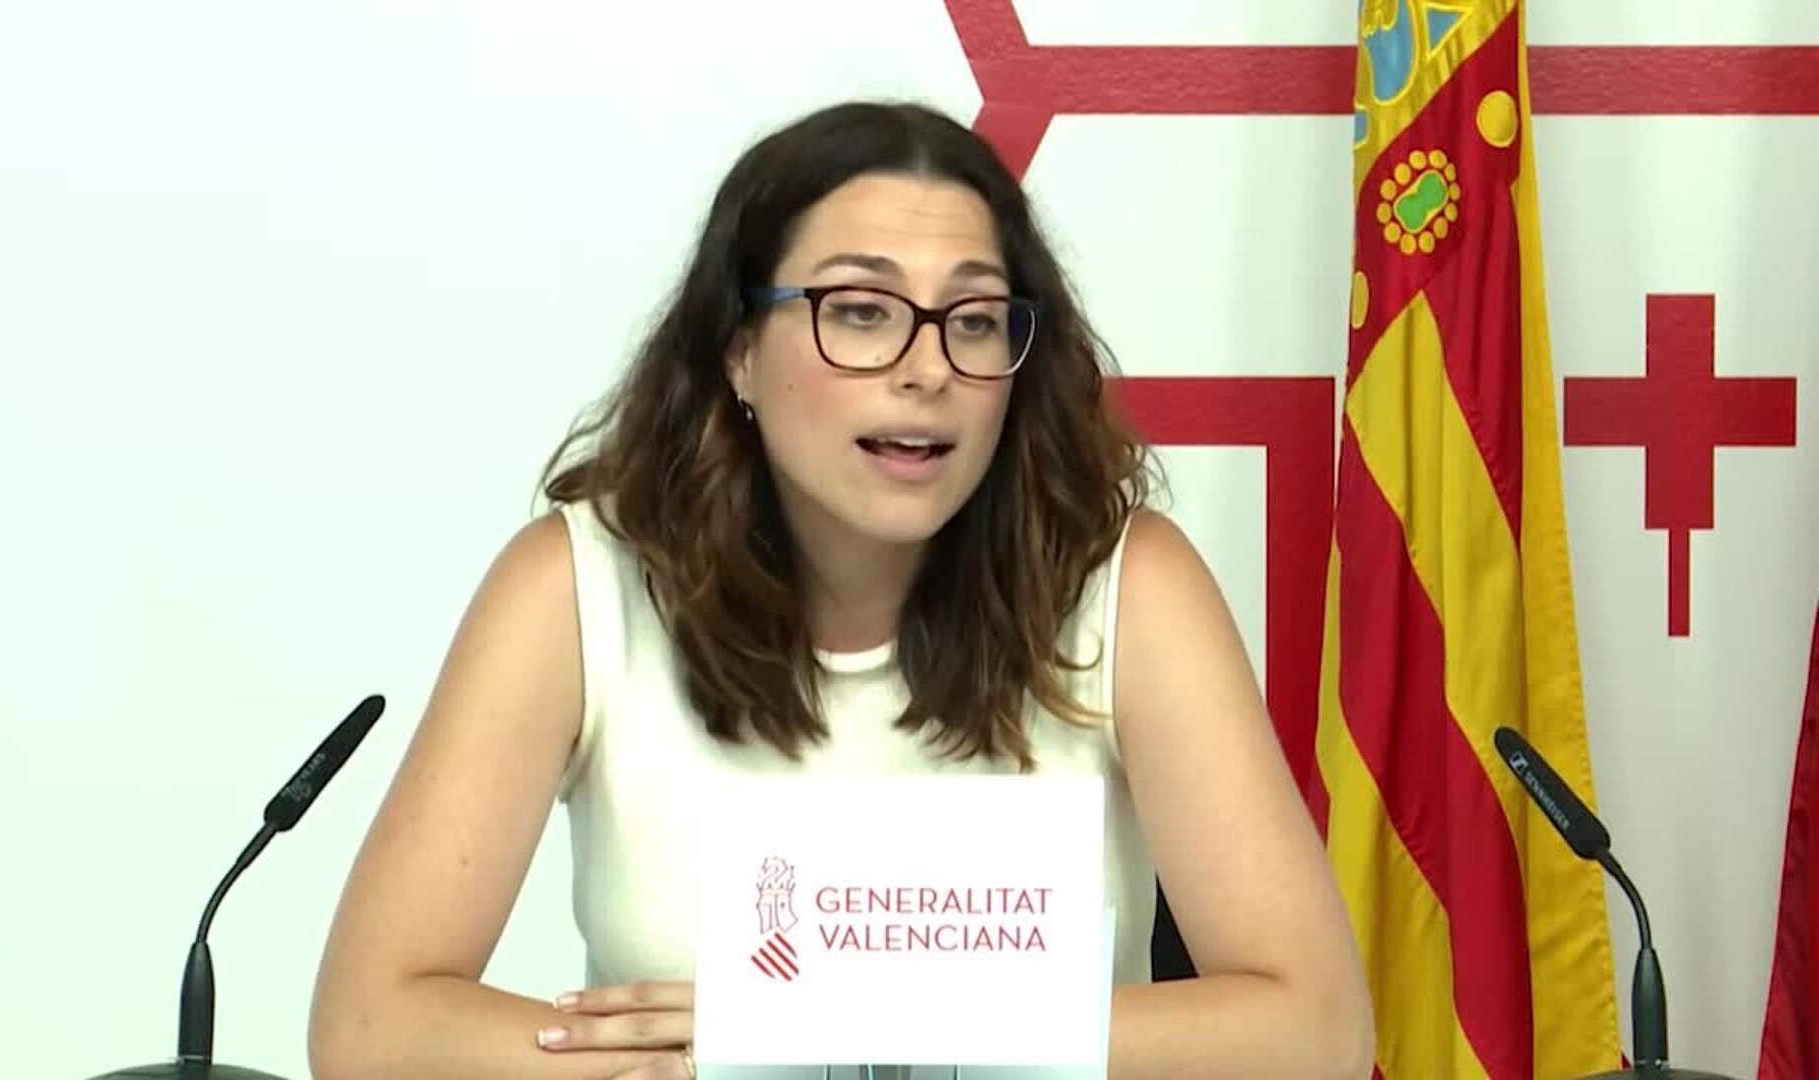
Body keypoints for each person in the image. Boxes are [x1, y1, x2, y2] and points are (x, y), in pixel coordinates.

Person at [307, 100, 1373, 1080]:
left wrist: (813, 1014)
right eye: (861, 312)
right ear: (737, 351)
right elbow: (368, 1027)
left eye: (974, 319)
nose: (928, 368)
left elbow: (1316, 1031)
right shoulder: (577, 583)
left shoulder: (1130, 584)